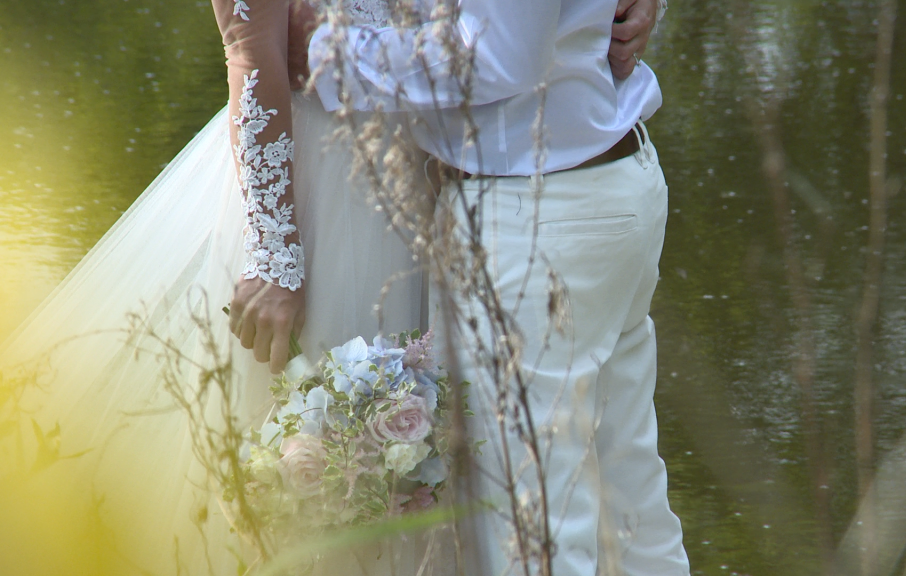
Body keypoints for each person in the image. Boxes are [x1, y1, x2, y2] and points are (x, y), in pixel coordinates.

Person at [0, 1, 664, 575]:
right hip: (327, 193)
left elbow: (506, 37)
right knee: (352, 471)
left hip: (461, 192)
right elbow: (248, 48)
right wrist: (277, 252)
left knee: (507, 494)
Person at [309, 1, 687, 575]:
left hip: (535, 214)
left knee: (534, 534)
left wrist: (330, 57)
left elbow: (500, 56)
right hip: (604, 185)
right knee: (629, 507)